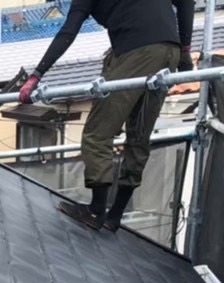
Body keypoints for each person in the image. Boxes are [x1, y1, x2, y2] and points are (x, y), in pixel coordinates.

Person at [18, 0, 194, 231]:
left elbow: (68, 32)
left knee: (97, 133)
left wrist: (37, 74)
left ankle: (96, 210)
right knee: (139, 134)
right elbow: (186, 2)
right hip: (168, 51)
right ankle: (115, 215)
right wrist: (184, 50)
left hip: (136, 52)